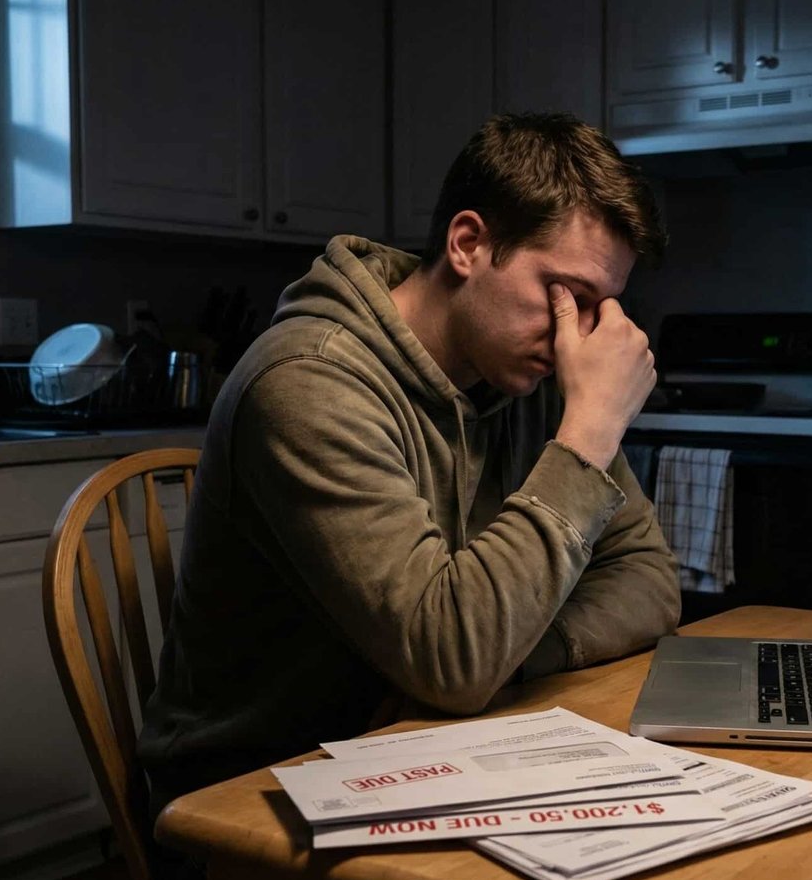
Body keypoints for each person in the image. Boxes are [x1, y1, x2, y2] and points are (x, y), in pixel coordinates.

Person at [139, 113, 681, 820]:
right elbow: (454, 659)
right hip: (252, 792)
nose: (575, 334)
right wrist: (588, 433)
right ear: (467, 244)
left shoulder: (525, 372)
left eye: (596, 307)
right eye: (563, 295)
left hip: (435, 748)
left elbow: (649, 578)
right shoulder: (307, 384)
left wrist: (514, 647)